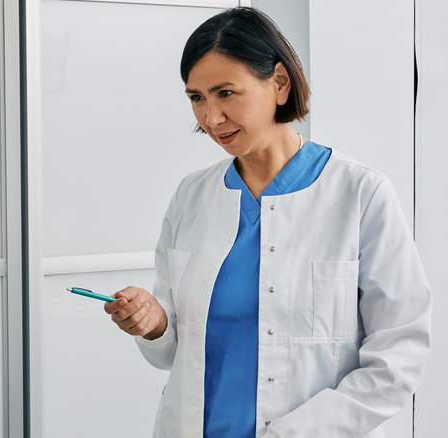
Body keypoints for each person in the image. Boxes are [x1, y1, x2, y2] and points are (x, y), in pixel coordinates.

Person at [103, 7, 431, 438]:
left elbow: (398, 354)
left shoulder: (361, 194)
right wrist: (153, 324)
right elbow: (171, 351)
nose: (211, 118)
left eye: (225, 92)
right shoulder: (191, 196)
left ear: (279, 83)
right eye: (196, 98)